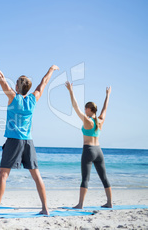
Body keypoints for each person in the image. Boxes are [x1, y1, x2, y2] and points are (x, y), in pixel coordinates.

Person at [0, 54, 59, 216]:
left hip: (14, 141)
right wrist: (51, 70)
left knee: (3, 175)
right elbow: (44, 83)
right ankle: (45, 209)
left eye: (15, 83)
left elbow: (0, 77)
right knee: (36, 175)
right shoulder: (34, 99)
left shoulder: (13, 97)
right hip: (28, 142)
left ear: (17, 87)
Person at [65, 81, 112, 209]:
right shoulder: (100, 120)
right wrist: (108, 95)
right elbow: (105, 108)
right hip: (99, 151)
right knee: (104, 177)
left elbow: (75, 107)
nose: (84, 110)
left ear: (90, 109)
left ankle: (80, 204)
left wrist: (70, 91)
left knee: (85, 178)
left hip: (88, 150)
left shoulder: (87, 120)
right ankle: (109, 202)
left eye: (86, 108)